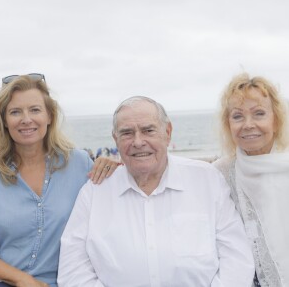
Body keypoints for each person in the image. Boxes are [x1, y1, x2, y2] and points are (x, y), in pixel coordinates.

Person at [58, 96, 255, 287]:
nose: (138, 142)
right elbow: (73, 269)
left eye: (148, 130)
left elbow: (236, 257)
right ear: (115, 139)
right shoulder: (96, 190)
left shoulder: (206, 179)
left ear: (167, 132)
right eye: (127, 133)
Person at [0, 74, 118, 287]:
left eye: (35, 109)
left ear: (50, 116)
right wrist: (22, 279)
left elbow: (107, 221)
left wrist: (114, 167)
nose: (26, 119)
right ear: (4, 120)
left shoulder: (80, 163)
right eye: (15, 112)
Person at [213, 73, 289, 287]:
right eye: (237, 116)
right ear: (228, 124)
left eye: (259, 114)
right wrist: (115, 167)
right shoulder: (221, 173)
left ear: (276, 120)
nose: (248, 124)